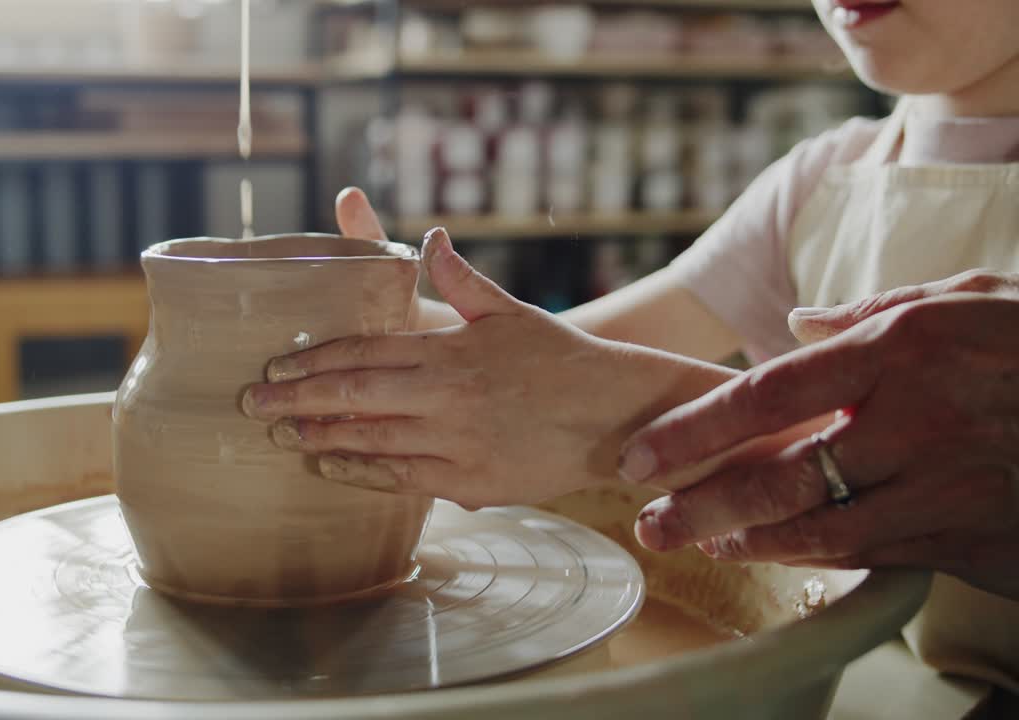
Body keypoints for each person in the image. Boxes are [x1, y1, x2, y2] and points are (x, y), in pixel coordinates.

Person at [240, 0, 1019, 686]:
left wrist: (604, 411)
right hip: (884, 668)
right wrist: (381, 323)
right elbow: (562, 357)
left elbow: (579, 389)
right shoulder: (819, 183)